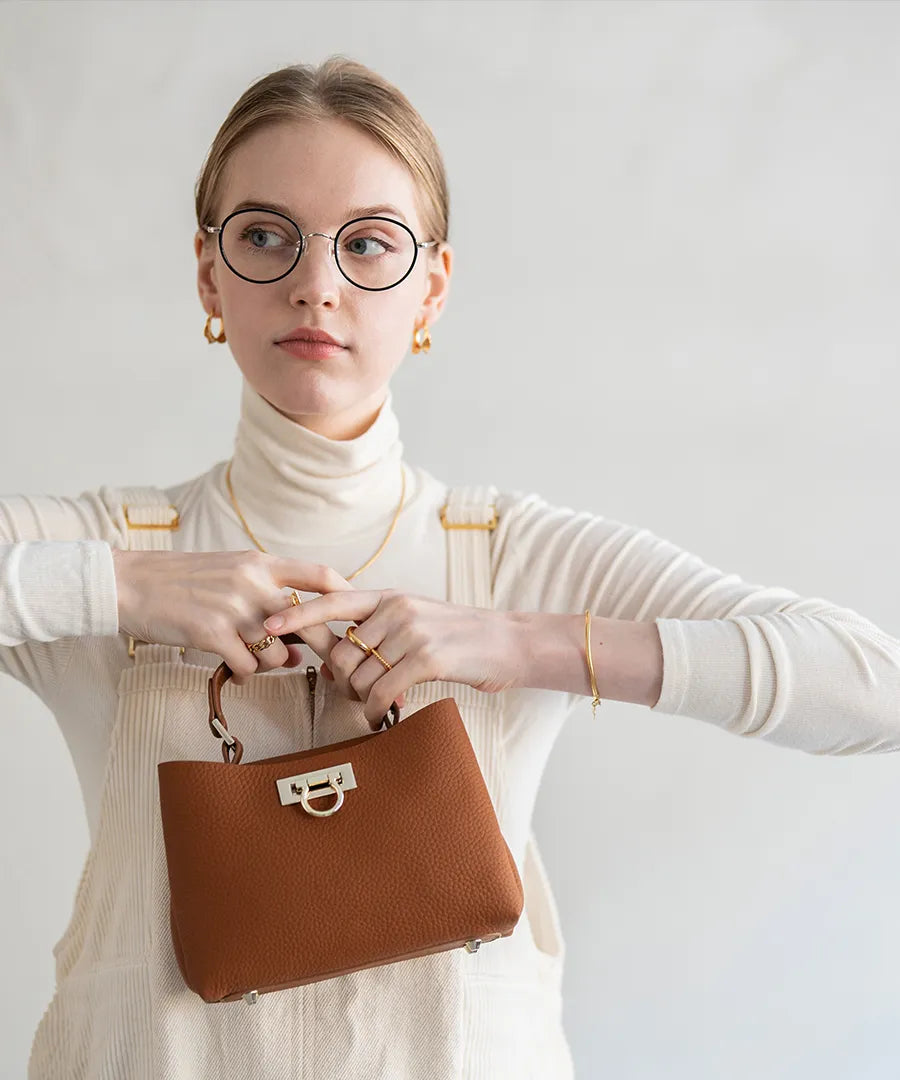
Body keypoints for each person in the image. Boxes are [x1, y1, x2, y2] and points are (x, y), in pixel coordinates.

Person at [3, 56, 899, 1080]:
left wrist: (523, 642)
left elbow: (873, 683)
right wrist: (116, 587)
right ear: (208, 273)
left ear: (431, 286)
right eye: (264, 236)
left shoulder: (518, 554)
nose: (315, 283)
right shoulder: (108, 547)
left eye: (369, 244)